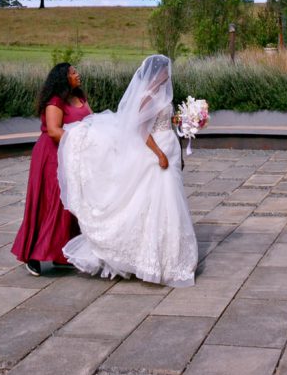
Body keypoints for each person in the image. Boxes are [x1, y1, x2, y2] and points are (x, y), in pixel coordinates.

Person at [58, 54, 197, 288]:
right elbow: (141, 129)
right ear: (156, 73)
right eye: (164, 71)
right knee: (157, 202)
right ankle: (154, 259)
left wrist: (184, 119)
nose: (167, 75)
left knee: (170, 202)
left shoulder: (163, 94)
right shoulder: (148, 96)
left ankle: (169, 256)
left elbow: (161, 121)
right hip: (156, 154)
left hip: (169, 149)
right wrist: (159, 154)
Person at [11, 63, 91, 275]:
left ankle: (61, 253)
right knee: (53, 202)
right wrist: (81, 142)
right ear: (63, 78)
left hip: (73, 157)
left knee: (70, 204)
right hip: (52, 156)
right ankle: (34, 255)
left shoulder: (80, 98)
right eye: (73, 72)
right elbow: (54, 131)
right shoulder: (55, 101)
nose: (77, 74)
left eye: (76, 71)